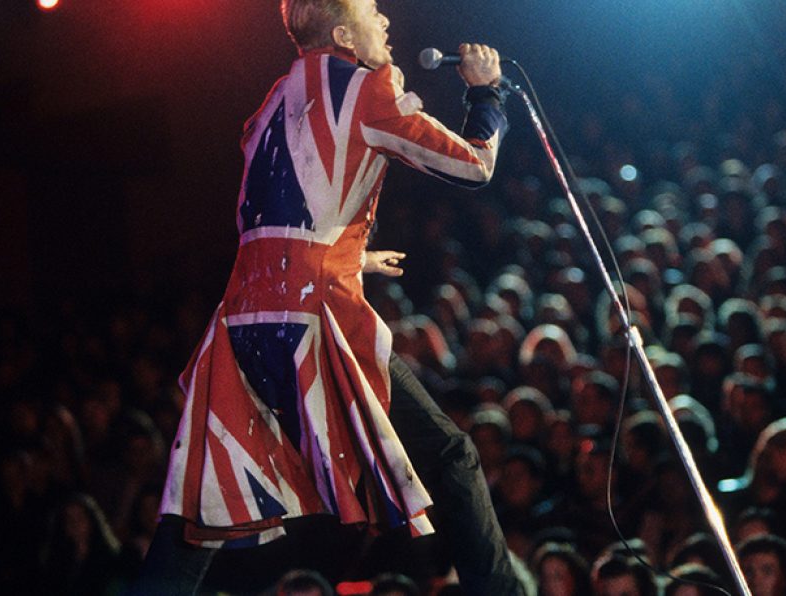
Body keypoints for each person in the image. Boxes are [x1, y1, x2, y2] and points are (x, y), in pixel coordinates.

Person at [133, 1, 518, 594]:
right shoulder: (366, 88)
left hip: (241, 325)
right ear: (342, 34)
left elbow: (277, 216)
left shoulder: (271, 104)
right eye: (370, 10)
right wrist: (486, 96)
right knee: (449, 456)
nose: (385, 20)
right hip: (312, 317)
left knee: (199, 505)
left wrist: (353, 255)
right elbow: (472, 167)